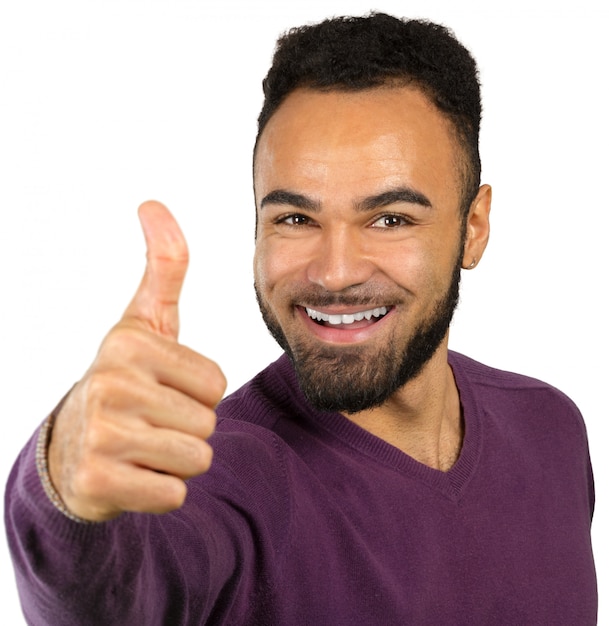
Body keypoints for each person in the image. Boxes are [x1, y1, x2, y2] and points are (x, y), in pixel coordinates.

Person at [5, 12, 597, 625]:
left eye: (390, 218)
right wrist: (65, 490)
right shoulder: (222, 478)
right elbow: (111, 599)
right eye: (294, 218)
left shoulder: (550, 428)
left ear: (473, 228)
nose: (335, 272)